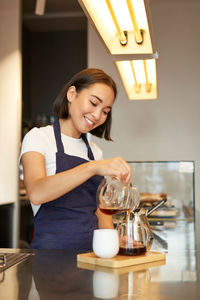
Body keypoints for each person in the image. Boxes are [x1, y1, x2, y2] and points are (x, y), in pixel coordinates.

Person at [20, 68, 132, 250]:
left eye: (105, 111)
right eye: (94, 103)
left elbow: (100, 210)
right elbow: (37, 192)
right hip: (52, 262)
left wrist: (114, 242)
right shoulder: (39, 138)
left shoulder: (95, 152)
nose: (97, 115)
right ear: (72, 94)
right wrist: (92, 168)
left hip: (92, 258)